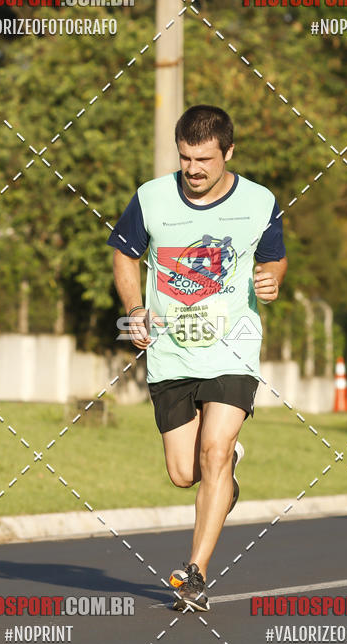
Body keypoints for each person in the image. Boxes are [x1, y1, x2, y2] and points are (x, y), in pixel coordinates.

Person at [107, 105, 287, 612]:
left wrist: (273, 278)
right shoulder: (151, 197)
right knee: (184, 473)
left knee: (213, 450)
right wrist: (134, 308)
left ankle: (195, 573)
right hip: (170, 355)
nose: (193, 169)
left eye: (204, 159)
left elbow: (273, 255)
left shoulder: (259, 201)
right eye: (185, 158)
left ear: (228, 153)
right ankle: (225, 477)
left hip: (234, 347)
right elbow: (125, 253)